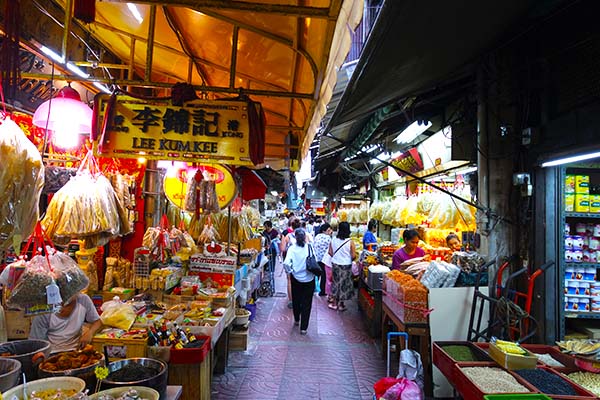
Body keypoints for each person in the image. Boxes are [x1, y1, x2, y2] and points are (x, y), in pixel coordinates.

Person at [29, 293, 103, 353]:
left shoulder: (83, 300)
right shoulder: (45, 309)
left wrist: (90, 333)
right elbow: (35, 343)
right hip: (52, 353)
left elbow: (97, 321)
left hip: (76, 351)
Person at [283, 229, 315, 335]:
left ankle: (297, 319)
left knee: (296, 300)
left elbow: (286, 263)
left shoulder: (292, 249)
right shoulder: (310, 247)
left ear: (296, 238)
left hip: (296, 278)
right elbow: (315, 259)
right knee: (307, 303)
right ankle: (304, 328)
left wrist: (291, 271)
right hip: (309, 279)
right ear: (305, 237)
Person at [328, 221, 356, 312]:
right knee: (344, 284)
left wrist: (337, 257)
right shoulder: (350, 242)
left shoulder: (333, 240)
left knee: (336, 282)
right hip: (346, 265)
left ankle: (334, 303)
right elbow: (353, 255)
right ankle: (341, 304)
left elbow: (330, 252)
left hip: (335, 264)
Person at [313, 223, 333, 297]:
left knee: (316, 274)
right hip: (325, 259)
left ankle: (313, 288)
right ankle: (322, 291)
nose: (330, 232)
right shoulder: (328, 238)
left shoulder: (317, 236)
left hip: (317, 258)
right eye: (328, 230)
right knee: (324, 275)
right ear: (324, 231)